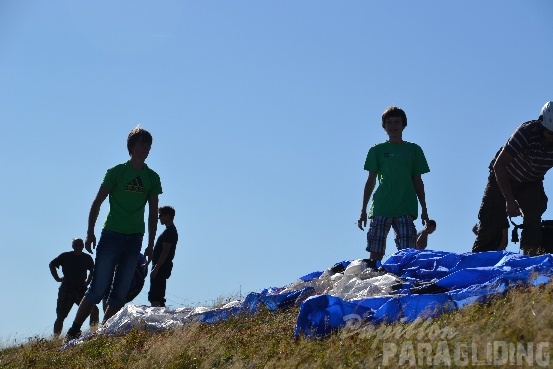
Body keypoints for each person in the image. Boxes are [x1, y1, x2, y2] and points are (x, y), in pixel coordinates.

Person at [65, 126, 162, 342]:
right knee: (98, 288)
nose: (146, 148)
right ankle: (73, 330)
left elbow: (153, 213)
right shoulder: (116, 172)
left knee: (120, 294)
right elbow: (97, 203)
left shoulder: (152, 178)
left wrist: (150, 243)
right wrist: (90, 233)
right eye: (142, 144)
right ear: (132, 147)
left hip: (134, 240)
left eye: (149, 145)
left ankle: (101, 335)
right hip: (111, 236)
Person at [472, 101, 553, 255]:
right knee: (491, 222)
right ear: (542, 126)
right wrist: (509, 200)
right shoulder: (526, 132)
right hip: (504, 177)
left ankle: (530, 259)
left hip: (531, 181)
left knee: (534, 214)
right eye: (550, 134)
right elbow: (499, 165)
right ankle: (477, 263)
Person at [357, 106, 430, 267]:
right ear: (384, 126)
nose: (393, 125)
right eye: (389, 122)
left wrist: (424, 209)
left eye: (397, 122)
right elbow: (371, 180)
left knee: (408, 251)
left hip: (406, 207)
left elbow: (418, 180)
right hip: (381, 206)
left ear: (404, 124)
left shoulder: (414, 150)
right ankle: (374, 279)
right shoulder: (377, 150)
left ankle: (405, 282)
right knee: (376, 251)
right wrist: (363, 210)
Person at [49, 238, 99, 337]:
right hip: (66, 289)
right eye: (76, 245)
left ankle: (93, 333)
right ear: (73, 246)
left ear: (83, 246)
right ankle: (56, 339)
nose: (78, 247)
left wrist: (87, 282)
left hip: (81, 289)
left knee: (94, 310)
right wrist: (57, 278)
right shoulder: (65, 256)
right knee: (61, 315)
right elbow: (52, 264)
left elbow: (93, 271)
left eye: (80, 245)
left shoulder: (87, 258)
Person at [148, 205, 179, 307]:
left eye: (160, 215)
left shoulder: (170, 232)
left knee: (155, 297)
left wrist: (156, 269)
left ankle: (156, 319)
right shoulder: (169, 231)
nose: (159, 218)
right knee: (158, 296)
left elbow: (165, 252)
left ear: (168, 216)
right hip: (160, 267)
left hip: (161, 268)